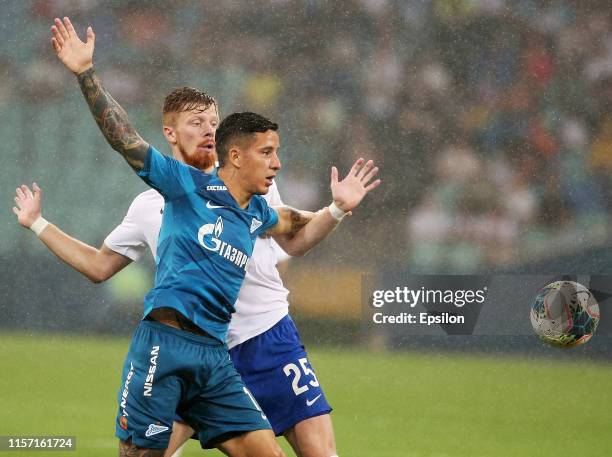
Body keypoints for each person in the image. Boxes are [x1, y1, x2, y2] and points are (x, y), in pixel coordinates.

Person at [18, 17, 380, 457]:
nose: (209, 129)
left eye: (214, 121)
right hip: (178, 346)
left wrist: (336, 208)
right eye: (196, 122)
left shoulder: (252, 187)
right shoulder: (167, 190)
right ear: (170, 132)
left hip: (256, 338)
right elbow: (102, 252)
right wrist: (39, 222)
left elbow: (293, 229)